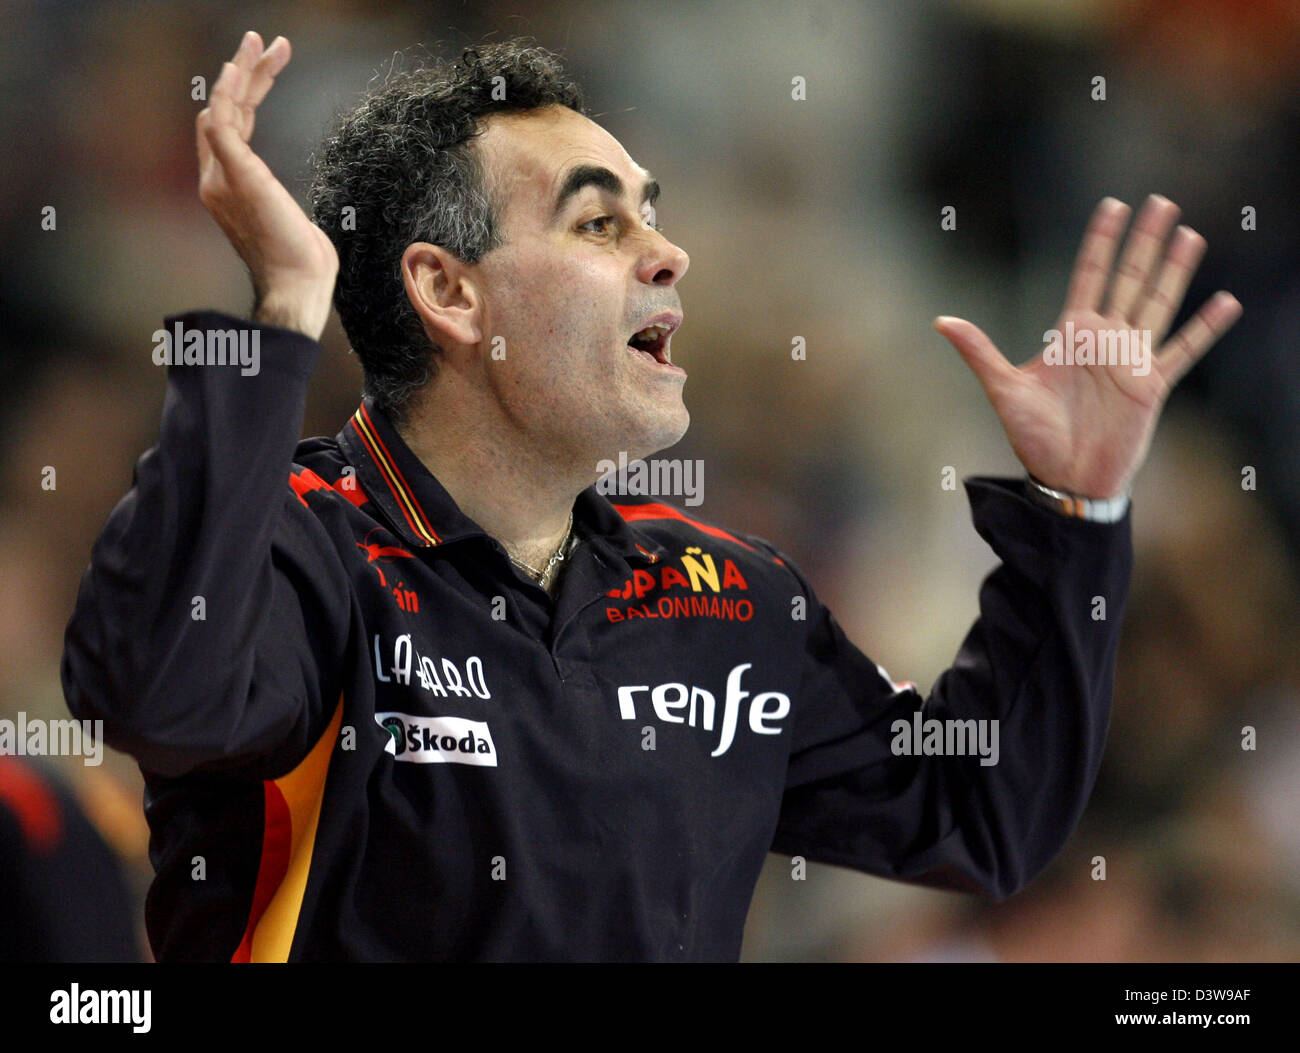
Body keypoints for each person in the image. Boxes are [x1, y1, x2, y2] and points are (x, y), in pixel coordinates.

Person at [61, 32, 1240, 962]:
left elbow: (980, 815)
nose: (666, 253)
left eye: (654, 211)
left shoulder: (727, 598)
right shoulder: (306, 545)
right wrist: (280, 316)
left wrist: (1074, 517)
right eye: (599, 220)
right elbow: (157, 693)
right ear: (450, 294)